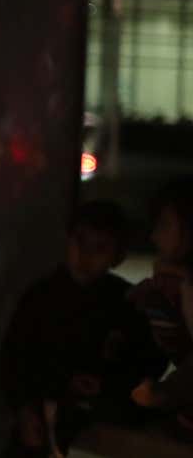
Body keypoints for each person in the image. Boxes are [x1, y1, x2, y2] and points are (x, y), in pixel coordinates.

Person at [3, 200, 158, 455]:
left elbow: (147, 362)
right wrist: (24, 409)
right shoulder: (41, 298)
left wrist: (109, 386)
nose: (86, 255)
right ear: (67, 240)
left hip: (104, 425)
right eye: (81, 242)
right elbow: (15, 358)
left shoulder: (127, 303)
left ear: (117, 257)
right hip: (43, 420)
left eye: (100, 247)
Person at [129, 180, 193, 432]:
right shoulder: (165, 288)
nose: (155, 236)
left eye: (164, 225)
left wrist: (164, 393)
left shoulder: (179, 288)